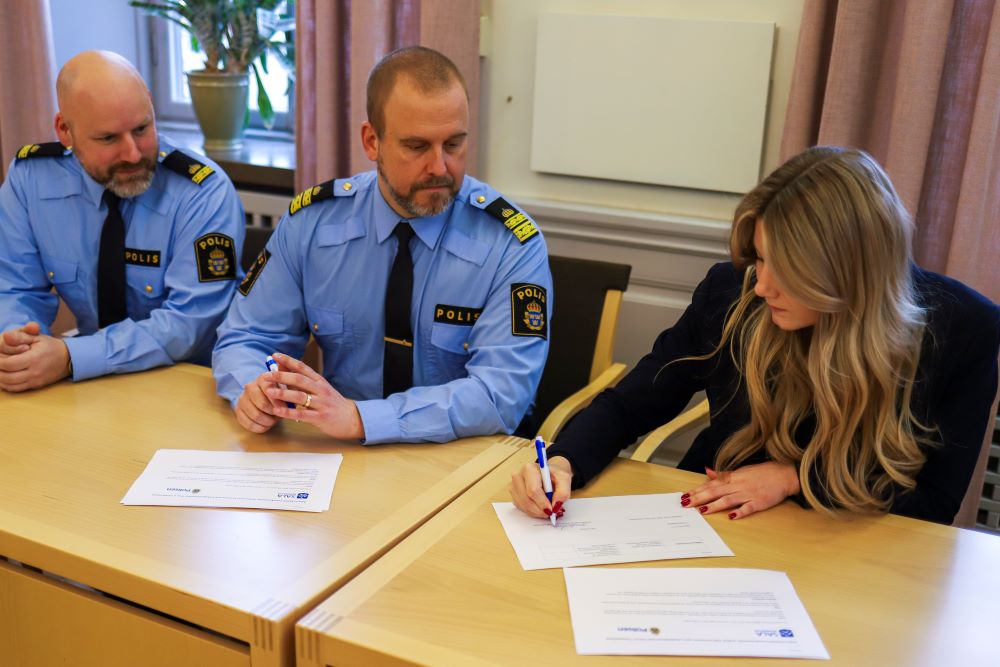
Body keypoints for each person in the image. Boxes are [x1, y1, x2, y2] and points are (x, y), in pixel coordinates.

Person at [510, 146, 1000, 526]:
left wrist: (795, 480)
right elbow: (630, 405)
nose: (761, 286)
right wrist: (564, 462)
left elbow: (934, 504)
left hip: (846, 544)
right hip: (717, 525)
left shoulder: (964, 331)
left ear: (850, 272)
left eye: (785, 270)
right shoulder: (732, 292)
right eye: (760, 258)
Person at [212, 46, 552, 443]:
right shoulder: (313, 223)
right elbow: (246, 337)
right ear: (372, 141)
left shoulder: (511, 244)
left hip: (462, 458)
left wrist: (362, 419)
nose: (440, 167)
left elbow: (501, 395)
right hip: (340, 454)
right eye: (417, 146)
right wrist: (255, 390)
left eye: (454, 144)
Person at [0, 51, 245, 392]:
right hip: (87, 384)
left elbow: (190, 323)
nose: (132, 153)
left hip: (189, 384)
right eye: (108, 138)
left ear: (152, 106)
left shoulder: (202, 192)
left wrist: (72, 357)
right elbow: (14, 287)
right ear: (65, 131)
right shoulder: (30, 179)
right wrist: (16, 346)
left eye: (142, 128)